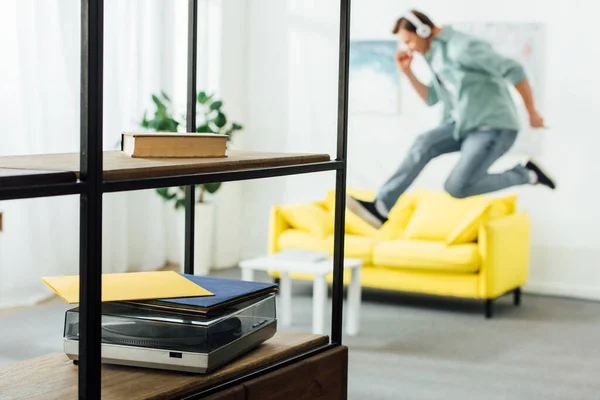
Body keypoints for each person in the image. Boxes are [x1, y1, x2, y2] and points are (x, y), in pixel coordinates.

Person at [347, 10, 555, 229]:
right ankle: (382, 207)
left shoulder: (462, 48)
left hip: (492, 126)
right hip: (464, 125)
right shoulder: (436, 56)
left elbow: (514, 69)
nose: (409, 48)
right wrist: (407, 72)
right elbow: (431, 98)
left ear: (424, 30)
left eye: (409, 41)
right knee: (424, 143)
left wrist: (532, 112)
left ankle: (527, 174)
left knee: (456, 187)